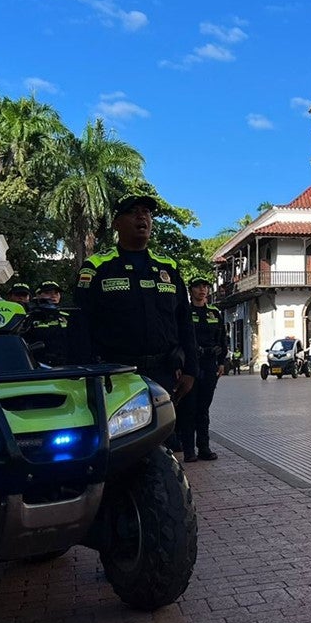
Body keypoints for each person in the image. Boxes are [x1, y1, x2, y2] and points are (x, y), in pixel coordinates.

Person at [75, 195, 197, 453]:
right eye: (133, 212)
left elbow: (184, 321)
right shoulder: (97, 267)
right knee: (120, 444)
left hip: (163, 372)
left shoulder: (168, 267)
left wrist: (191, 370)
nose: (142, 217)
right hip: (115, 373)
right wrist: (84, 374)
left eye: (147, 213)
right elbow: (80, 324)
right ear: (117, 224)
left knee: (164, 444)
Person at [181, 276, 227, 461]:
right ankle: (189, 450)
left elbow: (222, 339)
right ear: (191, 290)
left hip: (209, 365)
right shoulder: (184, 311)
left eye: (205, 287)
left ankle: (204, 447)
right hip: (191, 364)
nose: (203, 290)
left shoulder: (214, 313)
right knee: (189, 408)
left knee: (203, 408)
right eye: (198, 287)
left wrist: (222, 361)